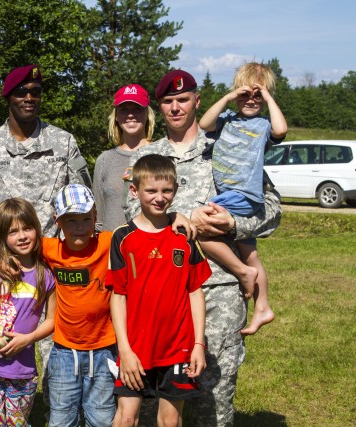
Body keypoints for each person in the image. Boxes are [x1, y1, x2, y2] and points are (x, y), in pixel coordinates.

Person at [124, 70, 282, 427]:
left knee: (214, 393)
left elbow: (271, 209)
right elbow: (130, 212)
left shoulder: (228, 144)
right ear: (159, 107)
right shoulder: (147, 156)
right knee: (152, 398)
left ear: (198, 101)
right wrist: (180, 216)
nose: (176, 107)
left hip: (218, 290)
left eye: (183, 99)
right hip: (158, 294)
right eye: (168, 101)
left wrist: (234, 225)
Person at [109, 154, 211, 427]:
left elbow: (195, 291)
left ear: (175, 191)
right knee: (126, 417)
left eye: (167, 190)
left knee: (170, 420)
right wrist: (125, 350)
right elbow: (118, 296)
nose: (159, 197)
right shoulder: (122, 238)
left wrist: (198, 345)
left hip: (178, 348)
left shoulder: (184, 237)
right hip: (136, 349)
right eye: (151, 190)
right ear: (135, 191)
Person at [198, 62, 286, 335]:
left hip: (243, 195)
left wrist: (268, 97)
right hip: (231, 194)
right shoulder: (226, 119)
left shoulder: (263, 125)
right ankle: (263, 307)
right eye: (245, 94)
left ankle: (241, 272)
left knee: (202, 227)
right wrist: (228, 97)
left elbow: (281, 131)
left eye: (257, 95)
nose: (251, 100)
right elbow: (204, 123)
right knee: (251, 253)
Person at [0, 64, 92, 238]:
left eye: (35, 92)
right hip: (5, 260)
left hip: (53, 258)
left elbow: (84, 202)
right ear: (8, 97)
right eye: (21, 92)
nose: (29, 98)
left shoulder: (64, 143)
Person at [0, 198, 57, 426]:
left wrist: (28, 339)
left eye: (27, 228)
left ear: (37, 228)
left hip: (22, 370)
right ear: (3, 237)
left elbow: (52, 320)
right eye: (13, 232)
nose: (22, 236)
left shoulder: (46, 275)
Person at [41, 184, 117, 426]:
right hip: (64, 351)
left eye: (86, 218)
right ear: (57, 221)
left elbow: (143, 230)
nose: (80, 227)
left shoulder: (109, 242)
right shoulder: (49, 249)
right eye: (71, 220)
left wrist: (175, 216)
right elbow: (12, 242)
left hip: (105, 349)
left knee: (102, 416)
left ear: (96, 217)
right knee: (62, 416)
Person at [93, 84, 155, 231]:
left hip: (151, 248)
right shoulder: (104, 160)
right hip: (111, 248)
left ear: (148, 114)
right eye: (124, 110)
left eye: (137, 109)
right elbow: (98, 217)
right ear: (116, 117)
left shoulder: (161, 155)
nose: (130, 115)